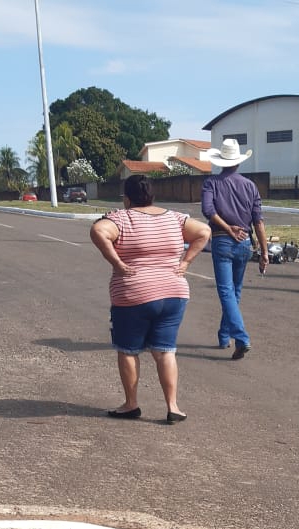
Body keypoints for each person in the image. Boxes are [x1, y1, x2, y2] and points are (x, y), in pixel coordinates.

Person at [90, 174, 211, 424]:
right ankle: (173, 406)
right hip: (174, 293)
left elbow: (98, 231)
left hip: (134, 294)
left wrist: (118, 263)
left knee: (128, 350)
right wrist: (186, 262)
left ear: (127, 198)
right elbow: (204, 231)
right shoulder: (174, 218)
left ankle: (131, 404)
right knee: (166, 351)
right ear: (152, 195)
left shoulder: (121, 218)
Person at [201, 138, 269, 360]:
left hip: (222, 240)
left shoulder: (212, 183)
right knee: (234, 292)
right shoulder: (250, 186)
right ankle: (223, 335)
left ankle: (241, 338)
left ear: (221, 161)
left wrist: (228, 228)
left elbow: (208, 210)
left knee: (226, 292)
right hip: (245, 243)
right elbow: (258, 221)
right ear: (238, 162)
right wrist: (265, 252)